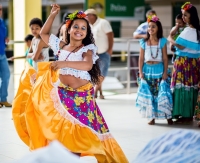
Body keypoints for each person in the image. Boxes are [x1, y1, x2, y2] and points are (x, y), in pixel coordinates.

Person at [12, 4, 128, 163]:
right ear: (68, 28)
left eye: (83, 28)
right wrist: (52, 14)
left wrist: (63, 64)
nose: (79, 30)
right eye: (76, 26)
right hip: (64, 95)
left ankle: (73, 158)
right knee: (66, 132)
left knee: (79, 133)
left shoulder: (87, 48)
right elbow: (44, 33)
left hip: (82, 98)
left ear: (87, 33)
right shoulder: (61, 46)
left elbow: (87, 65)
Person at [136, 15, 173, 125]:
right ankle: (151, 117)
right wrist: (141, 72)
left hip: (159, 69)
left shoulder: (162, 41)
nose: (150, 29)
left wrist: (165, 72)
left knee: (162, 93)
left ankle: (168, 116)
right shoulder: (143, 42)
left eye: (153, 27)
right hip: (147, 70)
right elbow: (141, 58)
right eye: (149, 27)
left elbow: (166, 58)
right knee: (150, 94)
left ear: (158, 28)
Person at [168, 2, 200, 124]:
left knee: (182, 86)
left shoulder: (188, 31)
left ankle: (184, 114)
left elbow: (179, 46)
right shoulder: (197, 31)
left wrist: (170, 37)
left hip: (183, 63)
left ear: (192, 16)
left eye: (185, 15)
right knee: (191, 87)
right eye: (182, 15)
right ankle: (188, 114)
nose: (183, 18)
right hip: (194, 64)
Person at [84, 8, 114, 99]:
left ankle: (95, 90)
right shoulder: (88, 25)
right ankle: (99, 92)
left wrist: (110, 49)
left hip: (104, 52)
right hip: (93, 54)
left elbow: (110, 35)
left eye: (87, 15)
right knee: (96, 73)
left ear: (92, 15)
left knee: (102, 73)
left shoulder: (103, 23)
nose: (86, 17)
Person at [0, 4, 12, 108]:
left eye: (0, 9)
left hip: (2, 54)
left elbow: (3, 35)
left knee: (6, 75)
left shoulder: (2, 22)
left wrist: (6, 38)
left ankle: (3, 99)